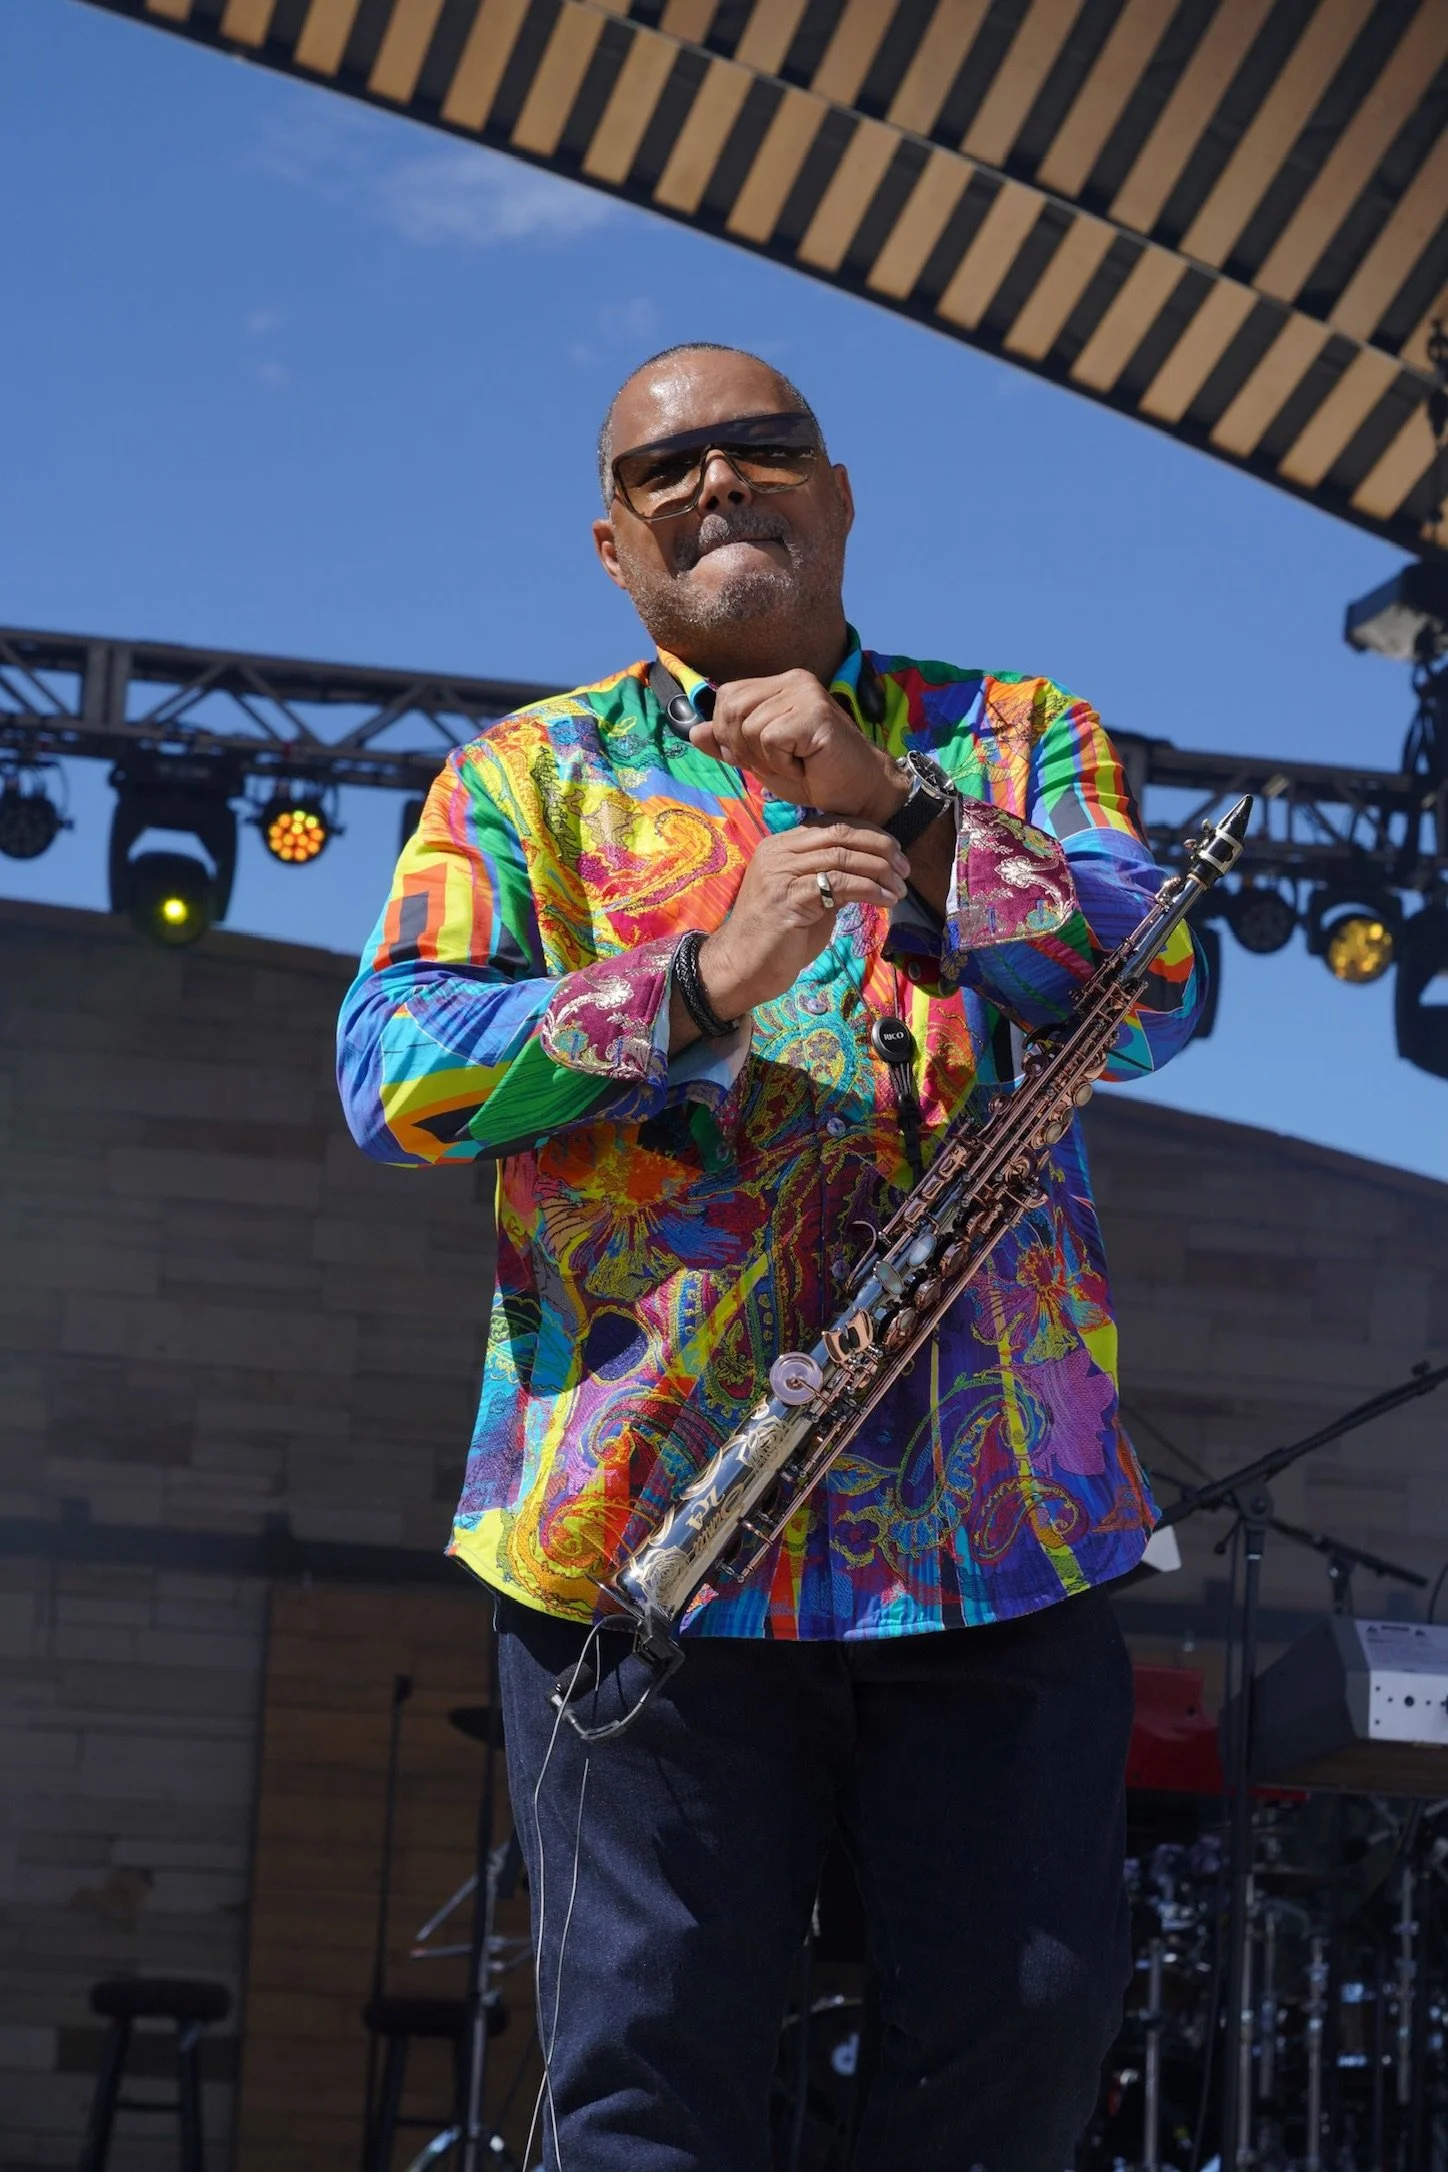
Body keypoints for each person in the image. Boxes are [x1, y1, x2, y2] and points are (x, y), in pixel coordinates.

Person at [337, 343, 1204, 2172]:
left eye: (763, 448)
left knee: (1022, 2046)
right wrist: (693, 984)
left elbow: (1157, 995)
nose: (718, 482)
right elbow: (395, 1070)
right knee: (650, 2086)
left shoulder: (1014, 732)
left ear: (840, 492)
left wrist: (901, 808)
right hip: (640, 1540)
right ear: (612, 544)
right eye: (665, 470)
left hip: (996, 1534)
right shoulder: (525, 778)